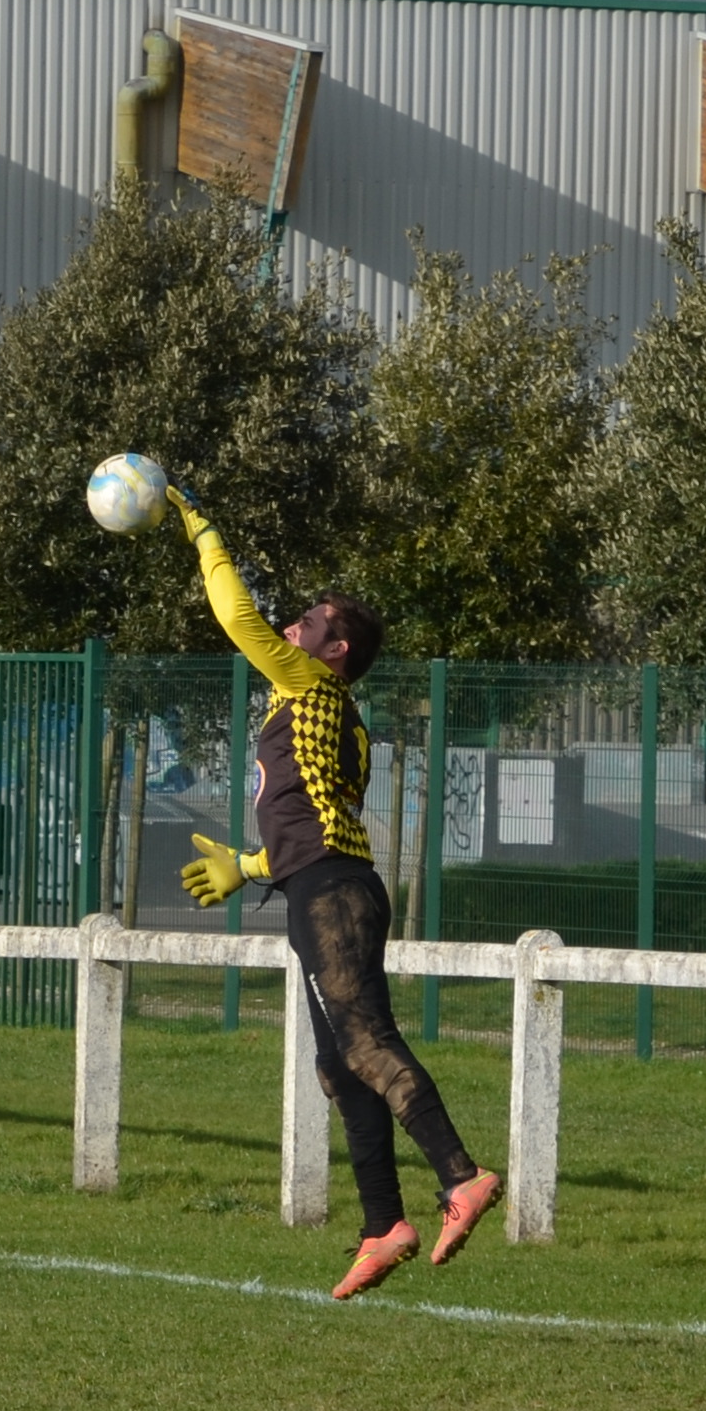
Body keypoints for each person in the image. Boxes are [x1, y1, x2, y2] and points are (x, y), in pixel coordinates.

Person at [164, 489, 497, 1296]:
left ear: (334, 648)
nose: (291, 626)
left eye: (309, 621)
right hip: (328, 882)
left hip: (332, 894)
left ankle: (461, 1176)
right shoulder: (325, 709)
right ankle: (383, 1225)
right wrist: (250, 867)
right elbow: (316, 822)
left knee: (365, 1043)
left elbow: (235, 616)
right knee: (339, 1067)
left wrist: (205, 536)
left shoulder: (311, 682)